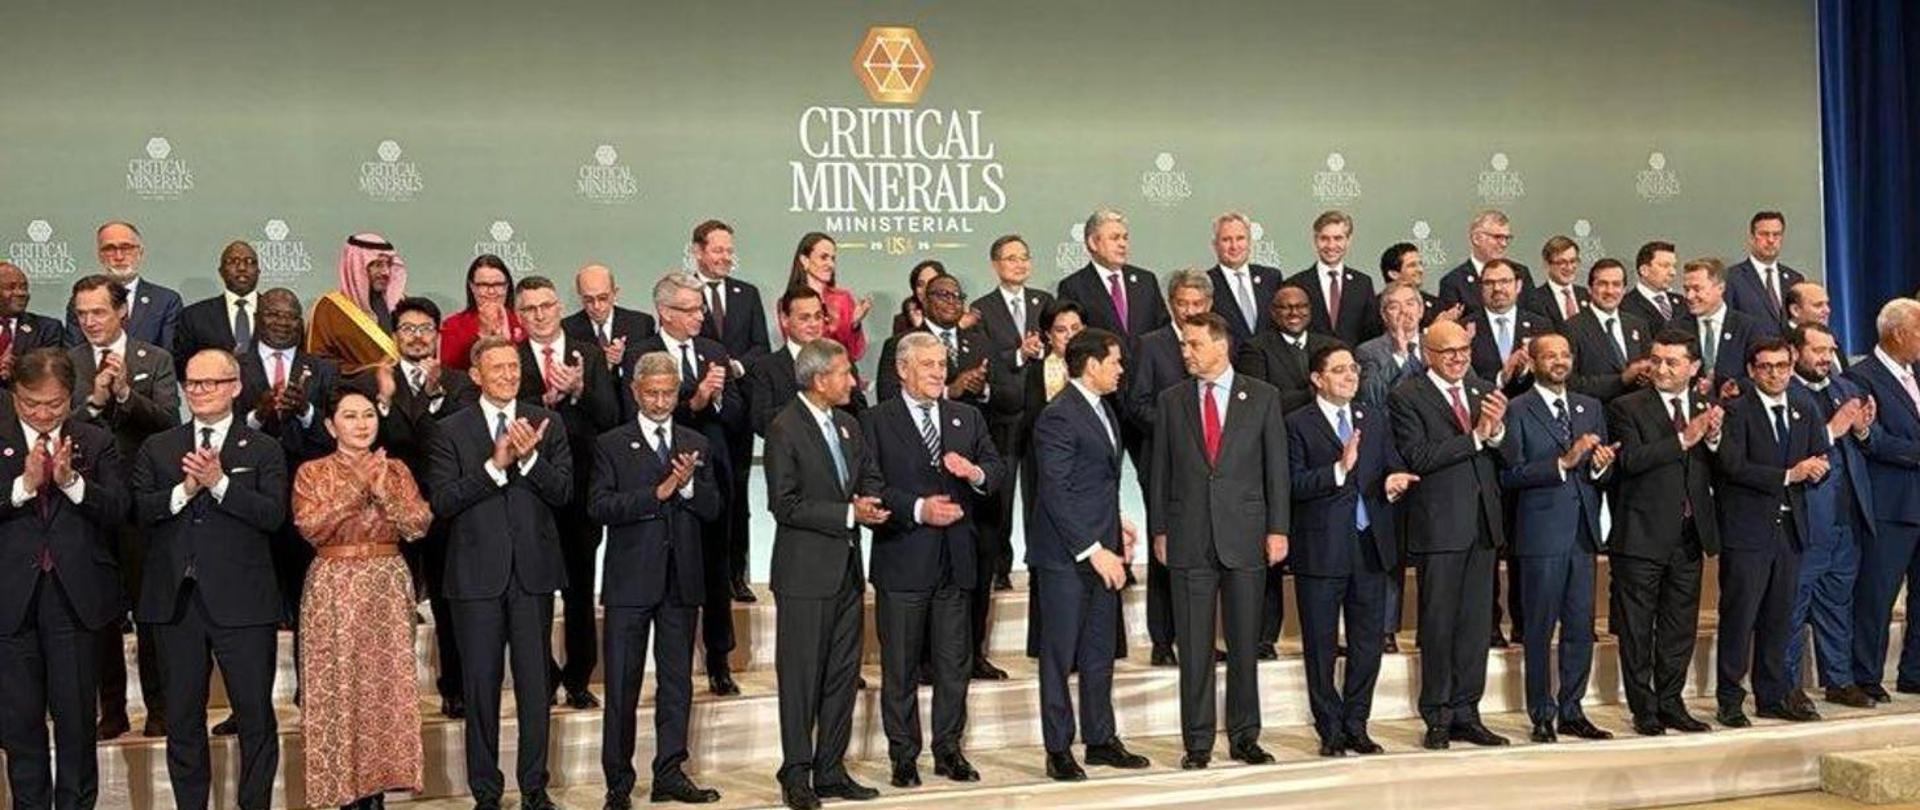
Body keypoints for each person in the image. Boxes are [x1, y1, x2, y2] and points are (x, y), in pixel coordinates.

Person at [131, 348, 286, 810]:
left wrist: (220, 484)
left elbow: (272, 515)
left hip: (244, 603)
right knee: (182, 719)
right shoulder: (159, 446)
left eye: (211, 382)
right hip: (176, 603)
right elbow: (139, 510)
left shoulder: (263, 448)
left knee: (255, 716)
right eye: (192, 383)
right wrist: (185, 490)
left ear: (235, 387)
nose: (199, 391)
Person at [425, 336, 572, 810]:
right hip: (475, 578)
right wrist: (495, 466)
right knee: (480, 689)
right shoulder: (450, 430)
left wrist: (529, 459)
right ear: (476, 375)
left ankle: (534, 788)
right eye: (498, 368)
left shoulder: (547, 422)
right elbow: (442, 502)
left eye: (513, 367)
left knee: (535, 687)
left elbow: (564, 492)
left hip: (532, 575)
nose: (509, 375)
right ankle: (486, 792)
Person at [862, 331, 1003, 788]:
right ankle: (903, 755)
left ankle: (949, 751)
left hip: (956, 562)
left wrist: (974, 472)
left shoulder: (966, 416)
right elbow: (870, 486)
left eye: (942, 364)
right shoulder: (876, 420)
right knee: (900, 667)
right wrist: (920, 509)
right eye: (928, 365)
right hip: (903, 559)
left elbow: (996, 471)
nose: (939, 373)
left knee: (953, 664)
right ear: (902, 369)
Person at [1148, 312, 1289, 767]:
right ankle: (1198, 742)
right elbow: (1160, 472)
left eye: (1193, 344)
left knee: (1245, 644)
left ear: (1220, 345)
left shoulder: (1263, 396)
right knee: (1194, 647)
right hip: (1188, 536)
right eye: (1183, 345)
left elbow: (1277, 470)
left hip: (1246, 535)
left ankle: (1246, 737)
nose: (1185, 352)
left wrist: (1278, 528)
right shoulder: (1172, 400)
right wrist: (1160, 530)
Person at [590, 351, 724, 808]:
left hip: (681, 582)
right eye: (652, 393)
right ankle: (618, 783)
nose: (662, 401)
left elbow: (713, 508)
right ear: (635, 391)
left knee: (676, 684)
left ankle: (670, 772)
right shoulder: (611, 444)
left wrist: (688, 487)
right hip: (630, 584)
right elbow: (599, 506)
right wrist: (657, 493)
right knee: (622, 686)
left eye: (669, 393)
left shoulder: (695, 442)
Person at [293, 385, 432, 810]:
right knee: (338, 687)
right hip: (334, 584)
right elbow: (311, 526)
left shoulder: (397, 470)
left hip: (386, 584)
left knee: (384, 690)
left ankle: (376, 793)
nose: (361, 424)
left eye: (368, 414)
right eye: (350, 416)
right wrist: (357, 488)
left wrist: (384, 490)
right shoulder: (312, 472)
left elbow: (418, 525)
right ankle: (342, 792)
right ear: (331, 425)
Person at [0, 348, 127, 809]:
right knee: (19, 725)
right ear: (15, 395)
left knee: (76, 724)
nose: (42, 414)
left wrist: (73, 483)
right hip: (11, 601)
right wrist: (22, 487)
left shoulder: (95, 440)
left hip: (75, 602)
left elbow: (119, 509)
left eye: (53, 404)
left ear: (70, 397)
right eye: (30, 403)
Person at [765, 338, 887, 810]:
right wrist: (848, 514)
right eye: (844, 373)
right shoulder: (784, 428)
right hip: (804, 575)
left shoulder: (848, 424)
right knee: (800, 680)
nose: (852, 381)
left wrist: (870, 501)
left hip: (847, 572)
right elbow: (785, 504)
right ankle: (796, 773)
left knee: (841, 676)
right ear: (819, 379)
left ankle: (830, 770)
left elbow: (868, 475)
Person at [1027, 328, 1151, 782]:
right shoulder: (1058, 415)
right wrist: (1093, 549)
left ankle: (1100, 739)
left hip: (1102, 547)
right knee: (1059, 656)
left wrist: (1116, 524)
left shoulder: (1103, 408)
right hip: (1066, 556)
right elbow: (1056, 491)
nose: (1121, 369)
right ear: (1092, 364)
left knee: (1100, 649)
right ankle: (1058, 748)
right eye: (1115, 361)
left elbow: (1094, 482)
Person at [1388, 319, 1510, 749]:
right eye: (1448, 352)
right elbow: (1417, 456)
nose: (1459, 358)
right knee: (1439, 625)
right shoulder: (1407, 395)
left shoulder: (1483, 389)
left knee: (1476, 626)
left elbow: (1507, 454)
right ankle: (1438, 715)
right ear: (1428, 354)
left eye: (1464, 350)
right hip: (1439, 528)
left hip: (1482, 526)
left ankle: (1467, 712)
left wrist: (1497, 433)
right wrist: (1476, 437)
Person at [1286, 342, 1412, 756]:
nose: (1350, 376)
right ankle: (1330, 729)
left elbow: (1392, 462)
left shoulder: (1372, 417)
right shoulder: (1296, 423)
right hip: (1321, 550)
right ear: (1317, 378)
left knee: (1367, 643)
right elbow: (1291, 484)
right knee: (1320, 646)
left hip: (1370, 545)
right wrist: (1339, 470)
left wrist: (1393, 480)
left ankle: (1357, 724)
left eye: (1353, 369)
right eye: (1339, 370)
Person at [68, 274, 180, 740]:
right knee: (99, 611)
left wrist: (125, 396)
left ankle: (159, 707)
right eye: (81, 314)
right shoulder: (67, 362)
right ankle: (111, 710)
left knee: (150, 607)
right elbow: (57, 425)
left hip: (141, 505)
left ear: (122, 312)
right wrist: (94, 403)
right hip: (89, 503)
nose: (90, 321)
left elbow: (169, 423)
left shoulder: (155, 359)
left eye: (98, 311)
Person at [628, 272, 745, 696]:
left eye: (701, 308)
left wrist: (717, 397)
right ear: (665, 312)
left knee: (715, 568)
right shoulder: (641, 353)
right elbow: (633, 415)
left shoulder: (713, 351)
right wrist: (694, 401)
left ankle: (719, 659)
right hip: (654, 477)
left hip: (709, 477)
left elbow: (736, 414)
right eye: (691, 309)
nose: (700, 316)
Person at [1497, 333, 1617, 743]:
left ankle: (1572, 709)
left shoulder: (1590, 407)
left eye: (1565, 354)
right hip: (1541, 535)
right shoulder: (1517, 409)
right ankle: (1541, 714)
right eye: (1550, 356)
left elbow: (1601, 472)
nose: (1560, 361)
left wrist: (1600, 465)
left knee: (1580, 628)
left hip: (1583, 534)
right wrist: (1563, 462)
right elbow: (1508, 474)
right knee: (1539, 629)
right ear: (1533, 363)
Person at [1606, 329, 1724, 736]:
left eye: (1672, 362)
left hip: (1689, 534)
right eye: (1656, 360)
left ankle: (1672, 702)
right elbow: (1630, 461)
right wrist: (1683, 439)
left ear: (1693, 367)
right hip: (1641, 535)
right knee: (1637, 629)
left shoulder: (1706, 406)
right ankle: (1645, 709)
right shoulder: (1626, 406)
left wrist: (1713, 438)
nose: (1661, 369)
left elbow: (1722, 466)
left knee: (1679, 627)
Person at [513, 275, 622, 710]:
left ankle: (579, 678)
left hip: (580, 492)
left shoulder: (588, 355)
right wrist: (545, 400)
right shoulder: (511, 358)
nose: (539, 315)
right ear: (519, 315)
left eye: (546, 305)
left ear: (560, 307)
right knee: (534, 592)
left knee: (579, 590)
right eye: (529, 309)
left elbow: (610, 416)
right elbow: (505, 417)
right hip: (530, 492)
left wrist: (579, 390)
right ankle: (541, 675)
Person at [1712, 337, 1827, 727]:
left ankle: (1772, 695)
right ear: (1751, 370)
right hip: (1747, 530)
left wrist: (1817, 470)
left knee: (1779, 616)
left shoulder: (1804, 407)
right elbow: (1732, 466)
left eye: (1781, 366)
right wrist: (1788, 475)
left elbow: (1817, 454)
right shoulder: (1736, 410)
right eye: (1766, 367)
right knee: (1740, 616)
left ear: (1791, 368)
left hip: (1790, 529)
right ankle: (1730, 698)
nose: (1775, 374)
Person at [374, 297, 477, 719]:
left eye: (425, 329)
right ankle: (393, 696)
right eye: (408, 329)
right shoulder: (375, 381)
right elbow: (369, 442)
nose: (416, 337)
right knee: (391, 608)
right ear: (394, 335)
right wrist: (384, 402)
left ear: (437, 335)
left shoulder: (459, 384)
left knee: (448, 605)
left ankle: (455, 687)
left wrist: (434, 398)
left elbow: (455, 442)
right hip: (389, 512)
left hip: (442, 510)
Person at [1123, 269, 1215, 667]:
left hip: (1213, 467)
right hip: (1165, 464)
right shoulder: (1151, 345)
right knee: (1167, 547)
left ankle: (1202, 637)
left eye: (1197, 304)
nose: (1189, 311)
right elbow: (1137, 403)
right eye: (1182, 303)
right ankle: (1162, 639)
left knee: (1207, 551)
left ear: (1208, 304)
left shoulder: (1219, 339)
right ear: (1170, 304)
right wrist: (1180, 429)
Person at [1786, 323, 1876, 709]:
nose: (1825, 358)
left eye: (1830, 350)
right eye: (1817, 350)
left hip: (1846, 516)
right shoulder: (1784, 392)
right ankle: (1786, 686)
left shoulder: (1845, 388)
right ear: (1795, 352)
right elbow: (1782, 448)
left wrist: (1863, 431)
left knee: (1837, 602)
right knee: (1793, 604)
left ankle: (1839, 680)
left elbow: (1868, 445)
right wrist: (1833, 429)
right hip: (1805, 518)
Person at [1843, 298, 1920, 703]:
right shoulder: (1861, 377)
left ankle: (1915, 672)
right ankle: (1865, 674)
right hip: (1889, 506)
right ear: (1898, 333)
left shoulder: (1917, 373)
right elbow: (1870, 439)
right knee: (1877, 594)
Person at [691, 220, 771, 602]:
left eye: (728, 250)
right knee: (702, 493)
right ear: (698, 251)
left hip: (738, 409)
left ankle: (736, 574)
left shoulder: (747, 294)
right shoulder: (684, 293)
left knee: (738, 495)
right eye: (717, 250)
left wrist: (734, 368)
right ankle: (702, 576)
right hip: (696, 413)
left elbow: (760, 347)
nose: (725, 257)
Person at [972, 235, 1053, 597]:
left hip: (1041, 416)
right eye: (1010, 258)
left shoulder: (1044, 302)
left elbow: (1058, 346)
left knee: (1040, 495)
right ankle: (999, 568)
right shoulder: (981, 309)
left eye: (1024, 257)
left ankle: (1039, 563)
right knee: (1000, 500)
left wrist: (1042, 350)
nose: (1019, 264)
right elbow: (984, 359)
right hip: (1001, 417)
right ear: (995, 265)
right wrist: (1019, 354)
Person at [1352, 282, 1427, 654]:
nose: (1404, 313)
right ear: (1384, 314)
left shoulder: (1438, 345)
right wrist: (1399, 353)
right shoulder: (1369, 352)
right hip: (1388, 460)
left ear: (1422, 309)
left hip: (1433, 460)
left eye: (1411, 304)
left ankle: (1431, 628)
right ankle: (1385, 628)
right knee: (1389, 549)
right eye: (1395, 307)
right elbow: (1371, 398)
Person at [746, 286, 868, 441]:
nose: (814, 324)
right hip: (792, 451)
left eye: (818, 316)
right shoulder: (766, 367)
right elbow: (761, 422)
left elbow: (859, 410)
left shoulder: (841, 358)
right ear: (785, 319)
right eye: (804, 318)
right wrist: (812, 401)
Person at [873, 273, 990, 407]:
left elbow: (1004, 393)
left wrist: (983, 390)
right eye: (943, 295)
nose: (952, 301)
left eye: (958, 296)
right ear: (925, 301)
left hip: (973, 418)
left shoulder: (980, 342)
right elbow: (888, 395)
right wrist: (947, 392)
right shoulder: (901, 342)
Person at [69, 220, 181, 350]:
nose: (119, 257)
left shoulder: (165, 301)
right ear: (100, 255)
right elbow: (74, 353)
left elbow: (168, 354)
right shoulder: (81, 300)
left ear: (140, 252)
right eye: (110, 249)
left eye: (127, 248)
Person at [1237, 284, 1341, 415]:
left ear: (1310, 309)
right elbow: (1257, 400)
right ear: (1273, 312)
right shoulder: (1255, 349)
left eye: (1301, 306)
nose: (1294, 313)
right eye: (1286, 307)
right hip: (1281, 424)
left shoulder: (1332, 346)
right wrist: (1316, 392)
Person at [307, 233, 407, 368]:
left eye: (388, 265)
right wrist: (371, 373)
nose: (386, 272)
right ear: (357, 267)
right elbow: (318, 364)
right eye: (377, 265)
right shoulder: (328, 309)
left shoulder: (403, 304)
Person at [1565, 259, 1654, 403]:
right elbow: (1571, 383)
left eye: (1616, 284)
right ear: (1589, 288)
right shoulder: (1571, 328)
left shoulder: (1638, 325)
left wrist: (1648, 376)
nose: (1610, 291)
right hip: (1598, 412)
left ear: (1624, 290)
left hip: (1637, 411)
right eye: (1602, 284)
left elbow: (1650, 367)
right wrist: (1622, 379)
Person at [173, 241, 262, 377]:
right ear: (221, 271)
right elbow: (182, 366)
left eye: (249, 262)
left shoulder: (280, 314)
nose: (242, 267)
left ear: (258, 271)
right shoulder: (194, 316)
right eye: (233, 261)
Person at [1287, 210, 1375, 345]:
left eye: (1338, 238)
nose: (1331, 245)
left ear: (1348, 240)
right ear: (1315, 240)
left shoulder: (1363, 283)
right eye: (1324, 238)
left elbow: (1370, 333)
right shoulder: (1295, 284)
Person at [562, 263, 657, 388]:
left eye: (603, 298)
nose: (596, 306)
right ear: (580, 296)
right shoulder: (566, 329)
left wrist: (625, 358)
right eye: (589, 300)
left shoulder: (641, 324)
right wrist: (601, 364)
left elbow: (650, 372)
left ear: (615, 293)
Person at [1676, 257, 1763, 387]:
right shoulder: (1676, 329)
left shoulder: (1748, 327)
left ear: (1720, 288)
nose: (1689, 296)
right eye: (1686, 289)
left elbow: (1759, 374)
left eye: (1697, 289)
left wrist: (1736, 387)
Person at [787, 233, 870, 362]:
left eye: (832, 259)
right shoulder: (789, 302)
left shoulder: (843, 298)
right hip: (806, 370)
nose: (830, 264)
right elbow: (797, 347)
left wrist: (854, 325)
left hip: (841, 370)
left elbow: (855, 353)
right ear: (804, 260)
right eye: (823, 257)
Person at [1468, 258, 1543, 400]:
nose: (1497, 288)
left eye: (1504, 281)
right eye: (1489, 283)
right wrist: (1501, 377)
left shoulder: (1540, 326)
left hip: (1531, 406)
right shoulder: (1464, 328)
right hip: (1484, 405)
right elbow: (1465, 380)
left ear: (1518, 286)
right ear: (1481, 288)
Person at [1436, 210, 1534, 318]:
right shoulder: (1453, 282)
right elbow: (1448, 325)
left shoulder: (1521, 273)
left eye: (1506, 238)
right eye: (1497, 237)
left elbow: (1534, 316)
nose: (1504, 244)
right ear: (1476, 239)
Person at [438, 255, 525, 372]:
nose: (491, 291)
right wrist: (483, 335)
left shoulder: (522, 321)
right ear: (472, 287)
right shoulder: (453, 325)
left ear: (506, 286)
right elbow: (448, 371)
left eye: (498, 284)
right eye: (483, 285)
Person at [1724, 211, 1804, 335]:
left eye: (1776, 234)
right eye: (1764, 234)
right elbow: (1729, 323)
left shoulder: (1795, 279)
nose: (1771, 240)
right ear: (1751, 238)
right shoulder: (1732, 277)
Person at [1207, 212, 1282, 346]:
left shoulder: (1271, 278)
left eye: (1240, 238)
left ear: (1249, 242)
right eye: (1226, 240)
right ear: (1215, 245)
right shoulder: (1206, 283)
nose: (1234, 246)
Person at [0, 261, 67, 368]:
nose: (21, 293)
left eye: (24, 287)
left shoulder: (47, 329)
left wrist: (15, 368)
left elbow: (52, 370)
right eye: (11, 287)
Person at [1519, 236, 1591, 332]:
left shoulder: (1587, 295)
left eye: (1573, 261)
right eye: (1562, 262)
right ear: (1547, 264)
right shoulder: (1535, 299)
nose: (1569, 267)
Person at [1622, 241, 1685, 331]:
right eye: (1665, 266)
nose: (1673, 273)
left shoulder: (1682, 302)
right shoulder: (1625, 305)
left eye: (1674, 266)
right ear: (1644, 270)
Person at [891, 260, 944, 336]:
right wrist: (918, 329)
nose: (926, 289)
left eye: (932, 283)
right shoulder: (903, 320)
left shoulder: (956, 317)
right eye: (920, 285)